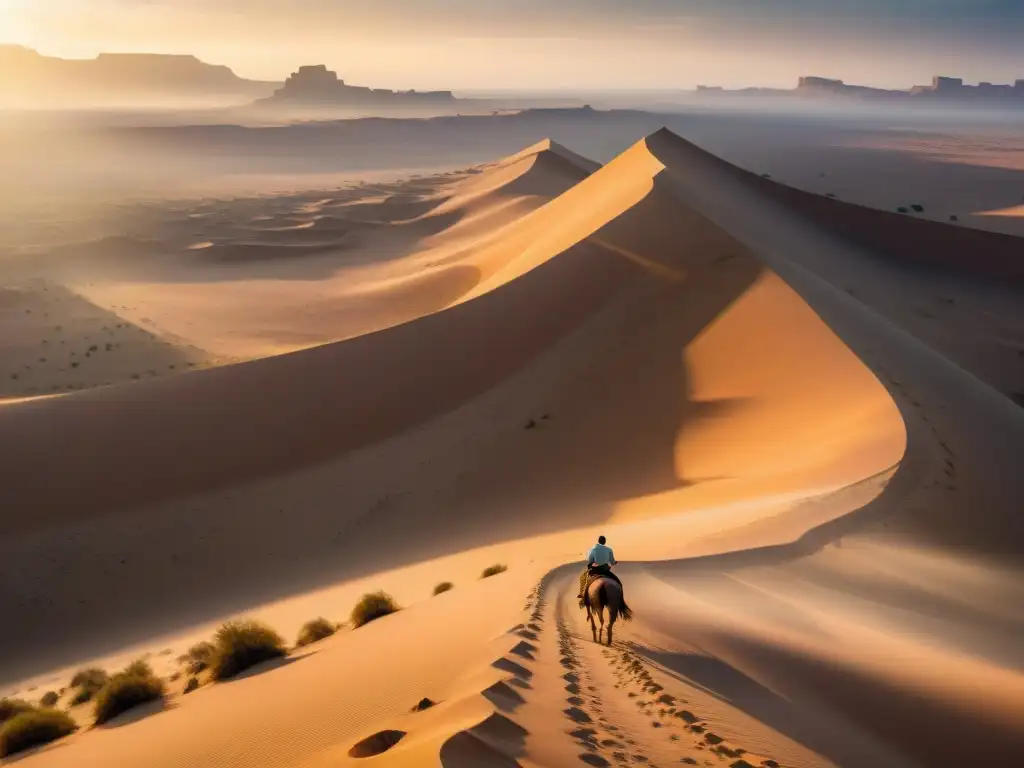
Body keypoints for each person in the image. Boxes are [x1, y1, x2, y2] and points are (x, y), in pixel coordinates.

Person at [578, 535, 624, 603]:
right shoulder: (609, 549)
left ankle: (583, 594)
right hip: (605, 571)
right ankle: (620, 599)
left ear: (598, 541)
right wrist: (614, 562)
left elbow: (590, 560)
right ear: (604, 542)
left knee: (584, 578)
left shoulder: (592, 550)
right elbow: (612, 561)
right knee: (618, 583)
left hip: (595, 570)